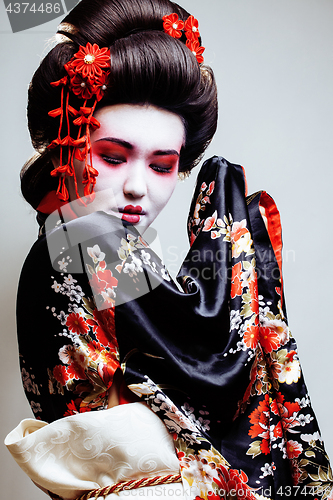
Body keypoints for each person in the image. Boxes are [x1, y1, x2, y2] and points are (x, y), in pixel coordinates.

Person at [4, 0, 333, 499]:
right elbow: (207, 348)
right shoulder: (81, 235)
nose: (137, 186)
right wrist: (233, 241)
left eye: (161, 166)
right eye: (112, 156)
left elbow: (179, 346)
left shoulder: (82, 243)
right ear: (69, 145)